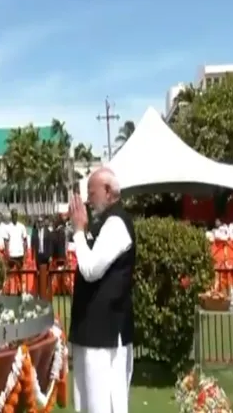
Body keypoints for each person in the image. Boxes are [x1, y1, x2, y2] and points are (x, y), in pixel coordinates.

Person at [69, 168, 134, 413]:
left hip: (104, 335)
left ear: (108, 191)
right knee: (88, 403)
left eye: (92, 192)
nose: (88, 199)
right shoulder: (105, 223)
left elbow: (90, 269)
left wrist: (78, 231)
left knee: (103, 404)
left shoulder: (116, 223)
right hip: (93, 333)